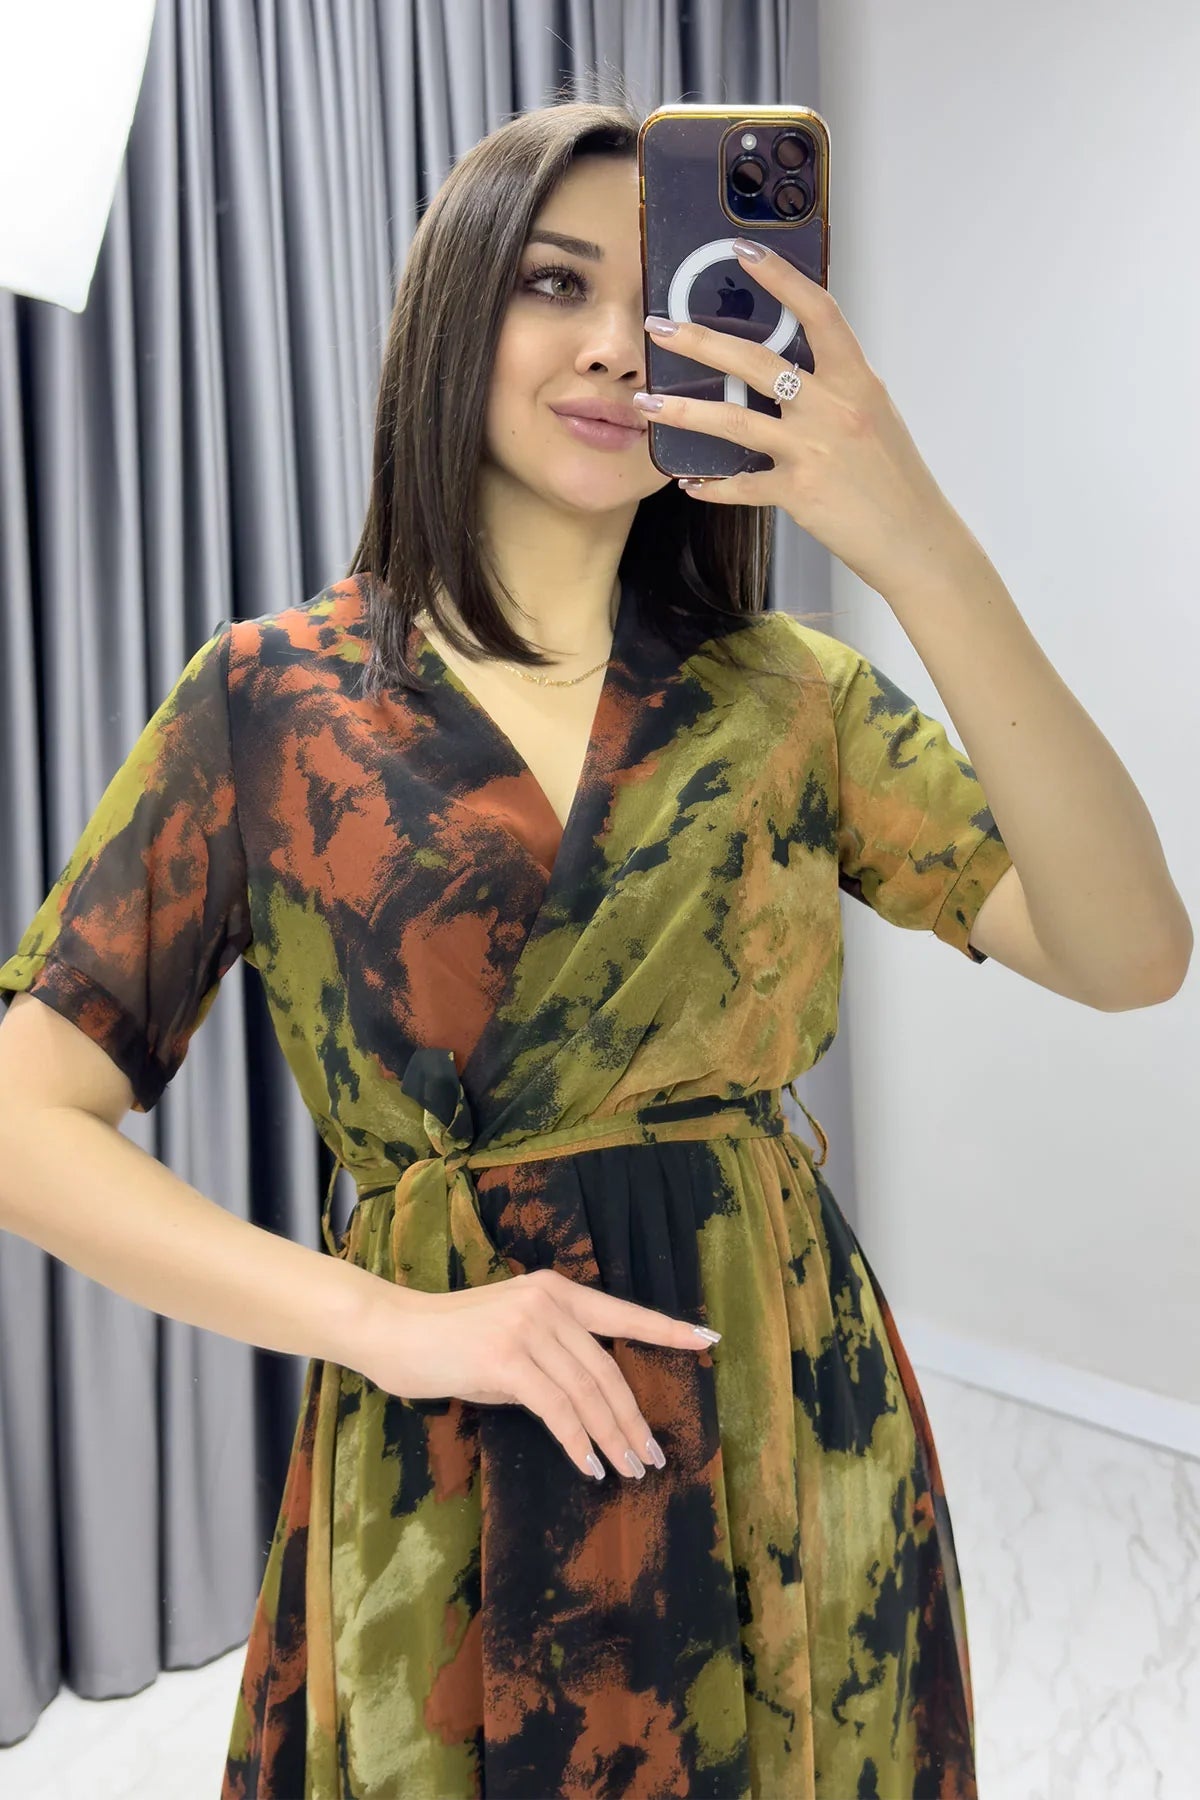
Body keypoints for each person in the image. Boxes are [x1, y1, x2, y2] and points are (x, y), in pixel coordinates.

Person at [0, 98, 1189, 1800]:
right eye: (555, 282)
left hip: (787, 1427)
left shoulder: (789, 696)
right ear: (455, 307)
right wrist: (386, 1326)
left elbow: (1132, 951)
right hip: (458, 1459)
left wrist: (917, 541)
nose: (619, 347)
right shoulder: (273, 699)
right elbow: (22, 1119)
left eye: (671, 296)